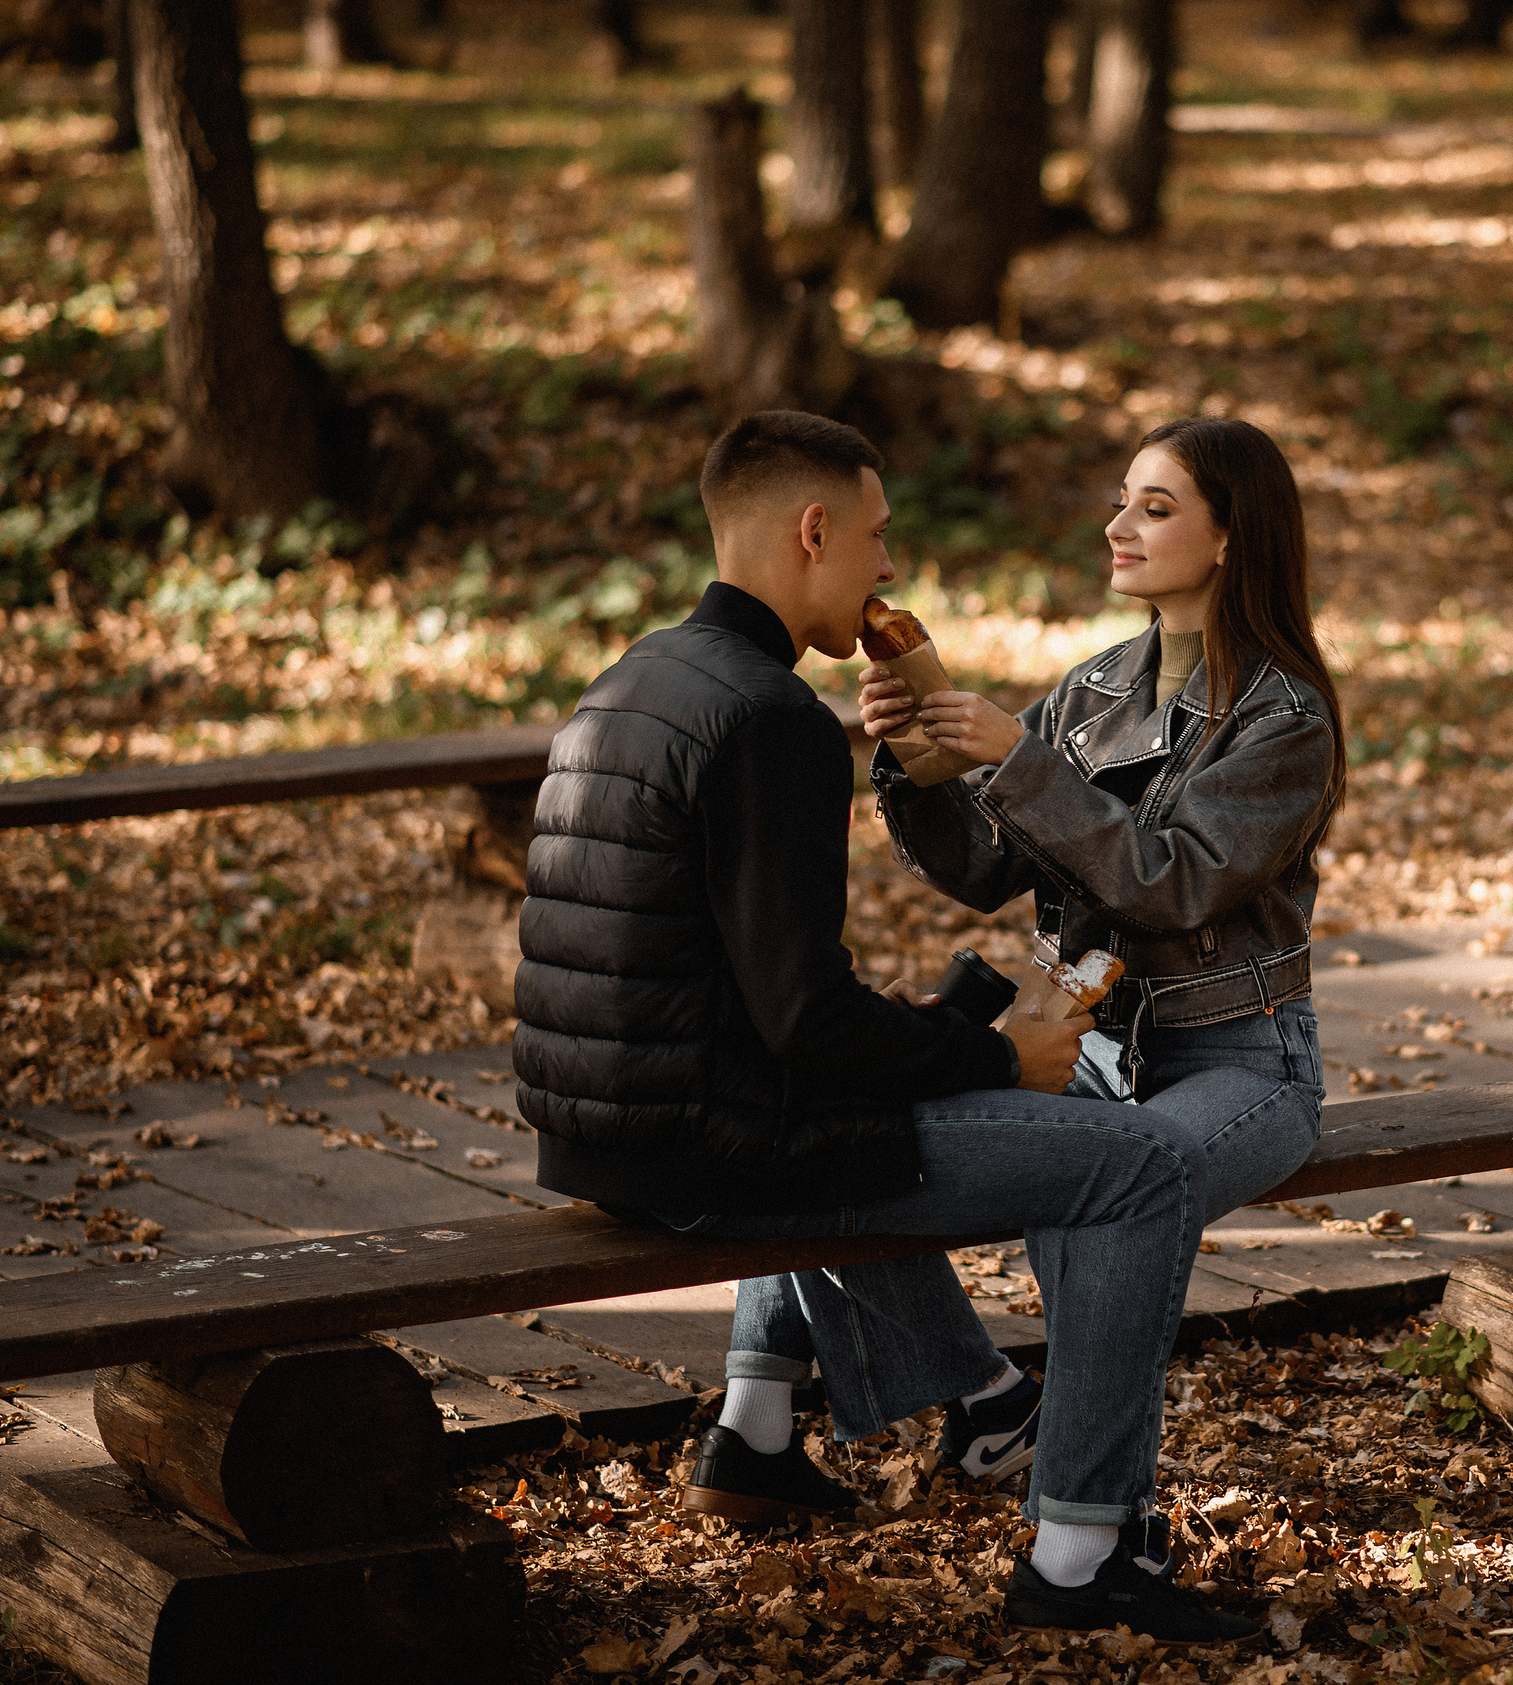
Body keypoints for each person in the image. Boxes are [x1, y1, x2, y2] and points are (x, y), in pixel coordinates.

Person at [511, 410, 1260, 1646]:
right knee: (1142, 1165)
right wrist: (994, 1058)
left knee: (928, 1052)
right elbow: (805, 1028)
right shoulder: (769, 721)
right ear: (813, 532)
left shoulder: (638, 673)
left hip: (597, 1133)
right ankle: (1078, 1550)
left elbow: (747, 996)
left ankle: (925, 1405)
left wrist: (927, 1029)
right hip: (709, 1151)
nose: (888, 570)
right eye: (875, 537)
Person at [855, 414, 1348, 1595]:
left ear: (1233, 537)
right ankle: (980, 1399)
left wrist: (1015, 762)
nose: (1118, 525)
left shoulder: (1285, 721)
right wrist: (909, 770)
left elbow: (1172, 883)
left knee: (1122, 1192)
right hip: (1083, 1050)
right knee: (860, 1139)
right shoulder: (1092, 692)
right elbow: (983, 870)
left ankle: (1083, 1536)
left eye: (1157, 506)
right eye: (1123, 499)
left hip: (1239, 1060)